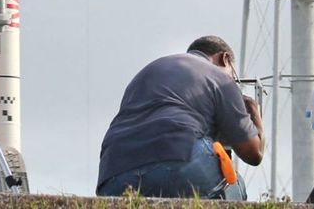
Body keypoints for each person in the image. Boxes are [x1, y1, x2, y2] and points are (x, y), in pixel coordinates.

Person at [96, 35, 265, 199]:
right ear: (225, 59)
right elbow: (253, 154)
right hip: (179, 160)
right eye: (233, 76)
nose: (232, 80)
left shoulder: (148, 72)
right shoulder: (220, 77)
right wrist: (255, 114)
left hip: (113, 175)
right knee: (234, 185)